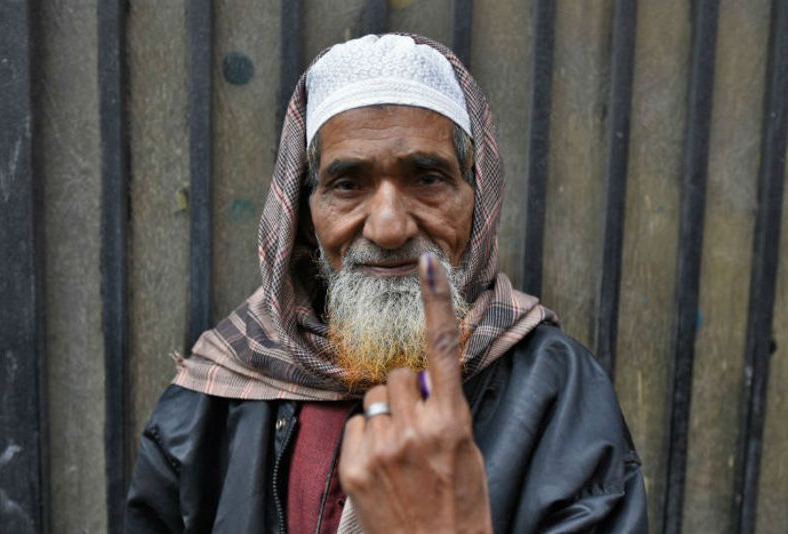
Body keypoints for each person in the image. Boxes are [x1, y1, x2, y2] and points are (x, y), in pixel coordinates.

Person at [125, 34, 648, 534]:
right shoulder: (214, 397)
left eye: (428, 179)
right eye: (348, 184)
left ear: (478, 202)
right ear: (306, 217)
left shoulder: (560, 395)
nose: (390, 227)